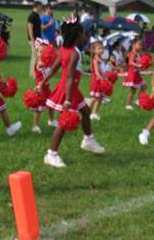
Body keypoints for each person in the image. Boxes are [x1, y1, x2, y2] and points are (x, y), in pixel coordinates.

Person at [40, 16, 106, 168]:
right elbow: (69, 77)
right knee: (64, 122)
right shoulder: (74, 54)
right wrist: (68, 101)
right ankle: (51, 154)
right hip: (68, 90)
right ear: (77, 36)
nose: (85, 36)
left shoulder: (65, 49)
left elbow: (55, 67)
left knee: (86, 111)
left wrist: (42, 82)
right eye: (83, 33)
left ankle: (88, 139)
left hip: (72, 88)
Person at [29, 38, 56, 133]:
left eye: (45, 51)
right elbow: (46, 65)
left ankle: (51, 120)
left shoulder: (46, 62)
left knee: (52, 105)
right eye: (41, 51)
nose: (43, 53)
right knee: (39, 109)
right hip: (40, 88)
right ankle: (35, 126)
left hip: (47, 88)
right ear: (37, 53)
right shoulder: (39, 63)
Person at [123, 38, 146, 109]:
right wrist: (138, 65)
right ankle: (128, 104)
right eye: (139, 45)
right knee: (133, 90)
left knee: (144, 86)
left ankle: (138, 100)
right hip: (133, 73)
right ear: (133, 45)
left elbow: (137, 62)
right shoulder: (133, 53)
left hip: (136, 73)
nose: (140, 46)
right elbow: (130, 62)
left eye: (141, 45)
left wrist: (142, 65)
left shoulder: (137, 53)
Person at [87, 40, 107, 121]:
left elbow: (102, 70)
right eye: (99, 49)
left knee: (100, 98)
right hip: (96, 80)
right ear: (94, 50)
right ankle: (85, 112)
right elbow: (96, 72)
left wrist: (105, 76)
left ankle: (94, 113)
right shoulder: (95, 59)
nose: (101, 50)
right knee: (94, 98)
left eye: (102, 48)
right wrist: (102, 80)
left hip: (100, 79)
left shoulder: (100, 58)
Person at [27, 1, 43, 79]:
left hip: (38, 39)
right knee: (34, 56)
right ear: (37, 6)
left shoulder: (37, 16)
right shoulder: (32, 16)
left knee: (37, 56)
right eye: (40, 5)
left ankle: (35, 73)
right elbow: (30, 29)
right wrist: (33, 41)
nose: (41, 7)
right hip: (34, 40)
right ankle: (33, 74)